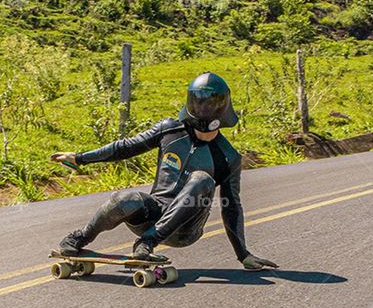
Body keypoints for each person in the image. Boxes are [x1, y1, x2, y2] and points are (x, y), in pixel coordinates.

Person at [50, 71, 276, 268]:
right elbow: (125, 147)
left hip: (185, 230)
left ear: (222, 107)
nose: (204, 107)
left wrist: (243, 254)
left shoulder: (229, 156)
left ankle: (147, 243)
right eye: (198, 101)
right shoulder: (169, 129)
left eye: (211, 103)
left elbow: (232, 207)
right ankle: (79, 238)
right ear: (190, 103)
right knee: (123, 198)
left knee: (202, 179)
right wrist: (80, 158)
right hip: (152, 215)